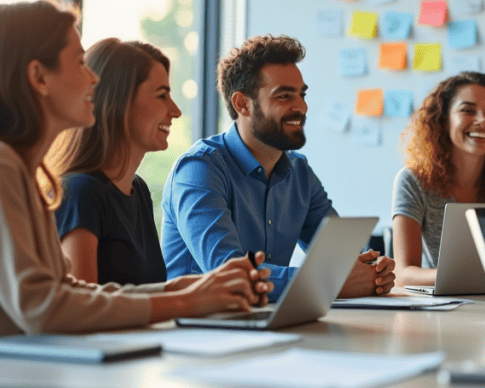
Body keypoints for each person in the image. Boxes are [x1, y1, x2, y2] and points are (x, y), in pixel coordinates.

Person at [0, 0, 269, 346]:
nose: (92, 78)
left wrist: (184, 287)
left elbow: (67, 292)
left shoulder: (16, 169)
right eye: (79, 62)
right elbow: (44, 309)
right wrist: (187, 301)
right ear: (39, 76)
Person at [160, 34, 395, 299]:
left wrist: (371, 271)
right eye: (284, 96)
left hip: (269, 323)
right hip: (202, 331)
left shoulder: (299, 173)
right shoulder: (199, 170)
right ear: (242, 104)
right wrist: (328, 282)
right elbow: (228, 274)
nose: (302, 107)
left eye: (301, 94)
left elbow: (342, 259)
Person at [392, 72, 485, 286]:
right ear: (444, 120)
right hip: (437, 309)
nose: (482, 120)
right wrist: (472, 277)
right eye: (467, 110)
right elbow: (402, 274)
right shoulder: (413, 181)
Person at [51, 39, 182, 285]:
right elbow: (84, 307)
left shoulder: (139, 190)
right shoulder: (80, 191)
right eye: (162, 95)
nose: (175, 111)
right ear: (119, 102)